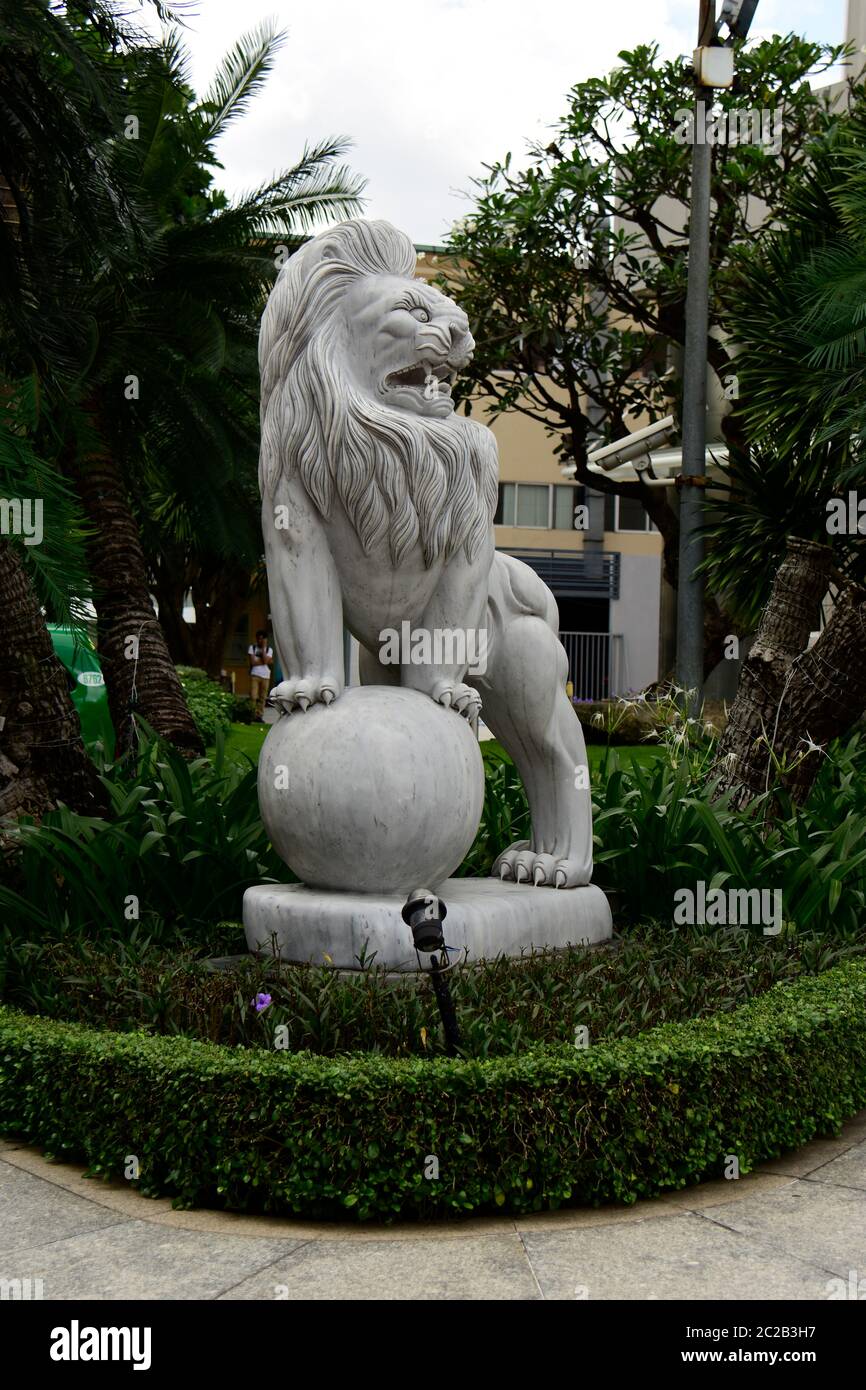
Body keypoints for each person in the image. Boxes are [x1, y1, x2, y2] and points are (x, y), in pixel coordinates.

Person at [247, 628, 273, 720]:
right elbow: (253, 662)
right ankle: (251, 714)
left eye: (262, 638)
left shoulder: (269, 649)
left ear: (265, 639)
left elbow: (265, 661)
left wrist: (263, 648)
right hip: (255, 675)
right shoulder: (252, 648)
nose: (259, 640)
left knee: (263, 697)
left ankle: (259, 715)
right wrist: (265, 661)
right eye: (258, 638)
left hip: (266, 676)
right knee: (253, 696)